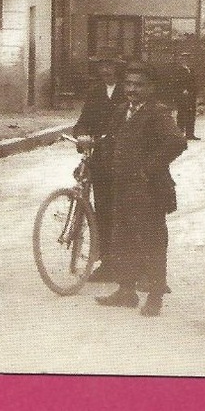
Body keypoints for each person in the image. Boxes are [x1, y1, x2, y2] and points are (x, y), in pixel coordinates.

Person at [94, 63, 186, 317]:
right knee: (121, 237)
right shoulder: (122, 110)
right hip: (122, 186)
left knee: (151, 241)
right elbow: (112, 140)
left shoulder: (158, 112)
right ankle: (126, 291)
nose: (132, 90)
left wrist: (148, 168)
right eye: (129, 84)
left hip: (149, 189)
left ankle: (155, 296)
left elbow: (177, 142)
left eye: (139, 85)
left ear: (151, 88)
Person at [73, 55, 123, 281]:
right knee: (102, 209)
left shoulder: (128, 89)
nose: (106, 69)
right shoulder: (95, 92)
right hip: (101, 160)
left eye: (109, 64)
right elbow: (84, 120)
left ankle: (134, 267)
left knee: (122, 211)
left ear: (118, 67)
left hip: (122, 160)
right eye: (102, 65)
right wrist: (81, 133)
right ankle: (107, 264)